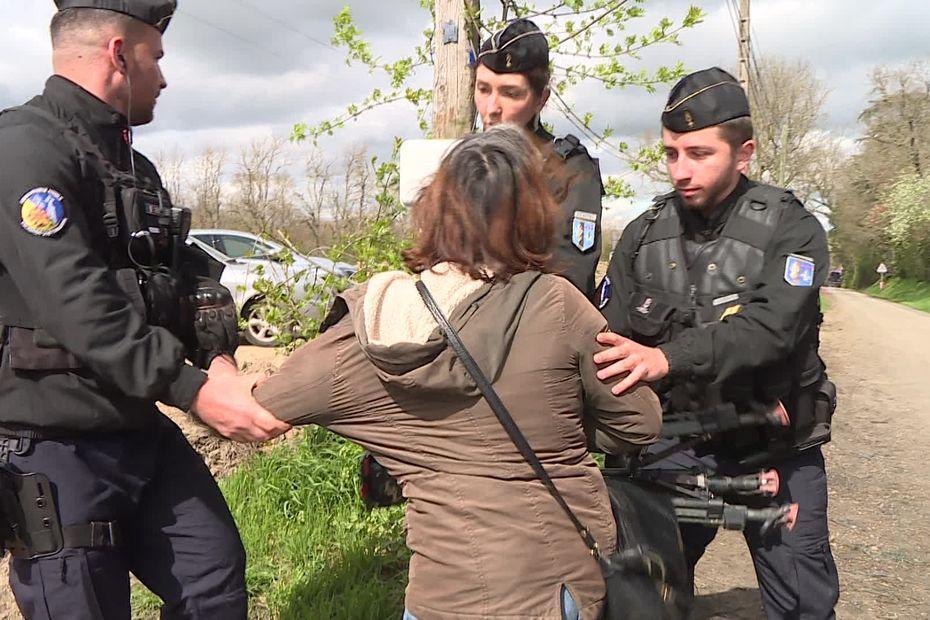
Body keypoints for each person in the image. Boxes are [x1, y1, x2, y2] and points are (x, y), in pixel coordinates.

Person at [250, 125, 663, 619]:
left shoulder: (379, 322)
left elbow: (262, 408)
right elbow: (639, 424)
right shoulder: (558, 305)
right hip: (552, 588)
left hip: (442, 596)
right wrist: (562, 422)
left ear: (435, 211)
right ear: (533, 216)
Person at [0, 2, 289, 617]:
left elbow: (186, 278)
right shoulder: (23, 149)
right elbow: (79, 304)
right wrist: (193, 391)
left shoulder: (134, 165)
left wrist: (219, 359)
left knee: (214, 580)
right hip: (55, 444)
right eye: (155, 57)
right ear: (118, 53)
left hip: (137, 430)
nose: (162, 76)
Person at [595, 67, 839, 618]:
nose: (681, 170)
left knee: (803, 603)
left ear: (744, 152)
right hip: (674, 444)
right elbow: (610, 338)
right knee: (634, 594)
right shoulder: (641, 233)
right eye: (671, 153)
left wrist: (665, 358)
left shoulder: (793, 229)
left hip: (777, 443)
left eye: (699, 153)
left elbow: (770, 331)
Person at [474, 18, 604, 299]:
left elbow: (568, 282)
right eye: (483, 89)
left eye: (510, 93)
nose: (492, 108)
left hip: (531, 325)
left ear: (540, 100)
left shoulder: (569, 171)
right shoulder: (467, 164)